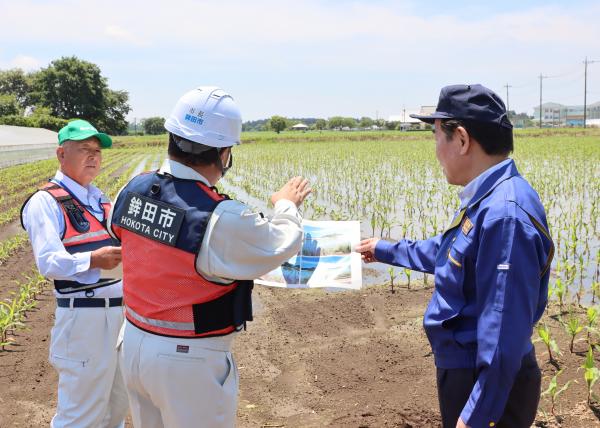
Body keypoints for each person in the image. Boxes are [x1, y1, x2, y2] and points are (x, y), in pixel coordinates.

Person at [109, 86, 311, 427]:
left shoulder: (132, 189)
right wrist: (286, 204)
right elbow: (282, 243)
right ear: (223, 152)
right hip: (187, 359)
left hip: (133, 344)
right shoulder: (219, 216)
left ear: (171, 137)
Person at [356, 84, 554, 428]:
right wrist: (382, 248)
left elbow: (503, 334)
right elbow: (448, 254)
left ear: (462, 140)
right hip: (469, 371)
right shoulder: (490, 198)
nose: (436, 151)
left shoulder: (504, 215)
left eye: (437, 138)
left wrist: (476, 417)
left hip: (486, 384)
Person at [21, 119, 128, 427]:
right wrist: (93, 260)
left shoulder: (99, 199)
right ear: (61, 154)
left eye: (97, 150)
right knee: (80, 415)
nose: (93, 156)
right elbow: (49, 262)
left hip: (120, 316)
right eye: (84, 149)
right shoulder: (45, 201)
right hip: (85, 319)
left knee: (116, 406)